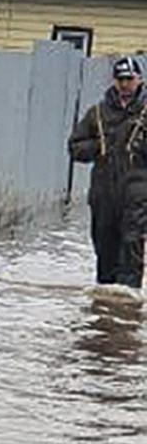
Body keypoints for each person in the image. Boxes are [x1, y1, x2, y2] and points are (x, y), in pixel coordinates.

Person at [68, 55, 147, 290]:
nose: (124, 84)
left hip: (137, 194)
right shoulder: (98, 113)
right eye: (120, 79)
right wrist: (97, 148)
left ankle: (127, 306)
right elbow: (74, 147)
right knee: (104, 249)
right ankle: (105, 310)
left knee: (131, 246)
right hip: (103, 193)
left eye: (129, 79)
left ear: (139, 79)